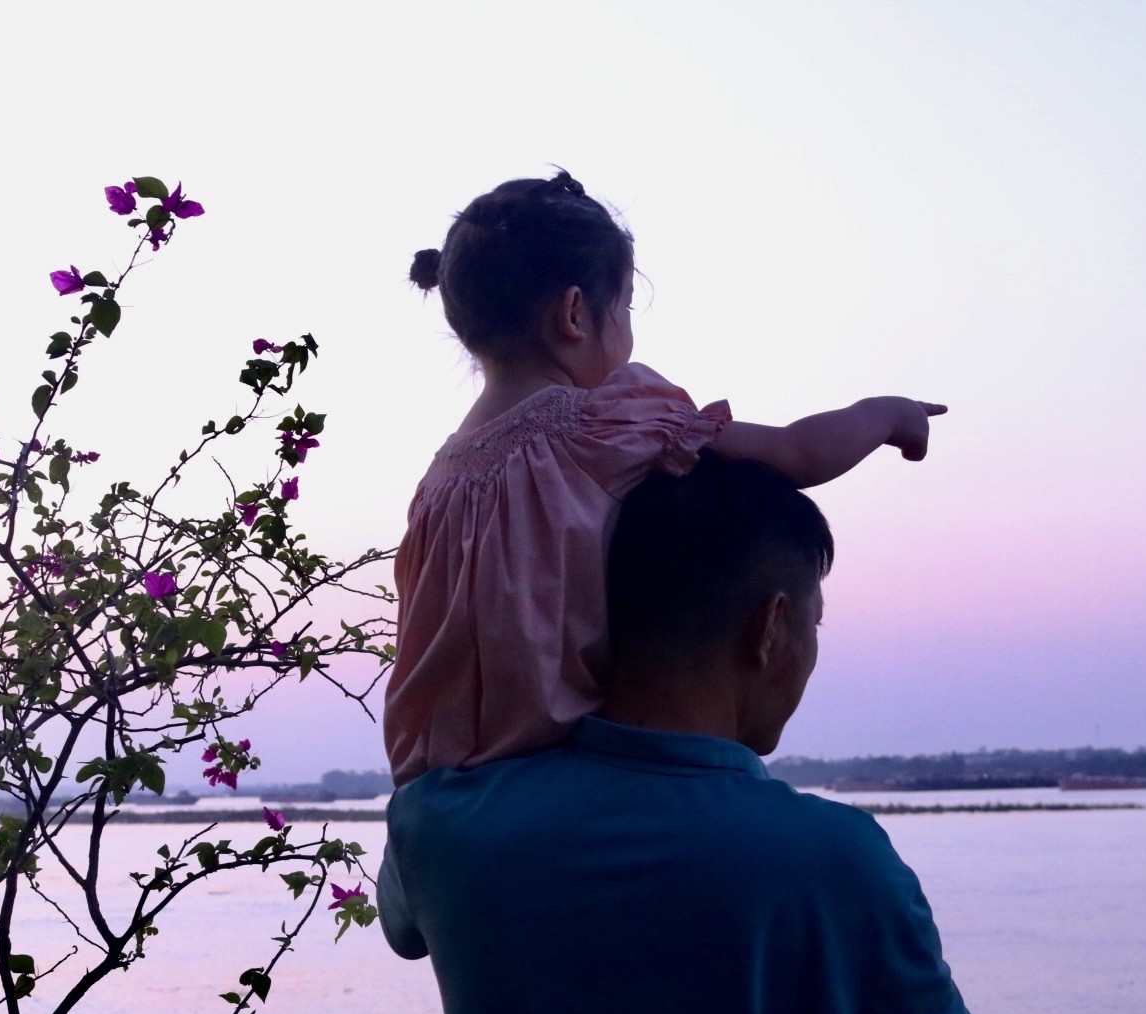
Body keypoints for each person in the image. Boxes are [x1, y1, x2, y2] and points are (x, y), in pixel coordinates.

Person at [380, 455, 1000, 1014]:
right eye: (815, 628)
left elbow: (408, 926)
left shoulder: (445, 826)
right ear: (771, 627)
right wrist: (860, 1004)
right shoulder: (831, 862)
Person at [386, 169, 946, 784]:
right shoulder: (602, 426)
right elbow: (796, 453)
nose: (628, 328)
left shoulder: (436, 488)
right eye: (624, 306)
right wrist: (889, 415)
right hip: (557, 780)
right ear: (574, 314)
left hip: (430, 793)